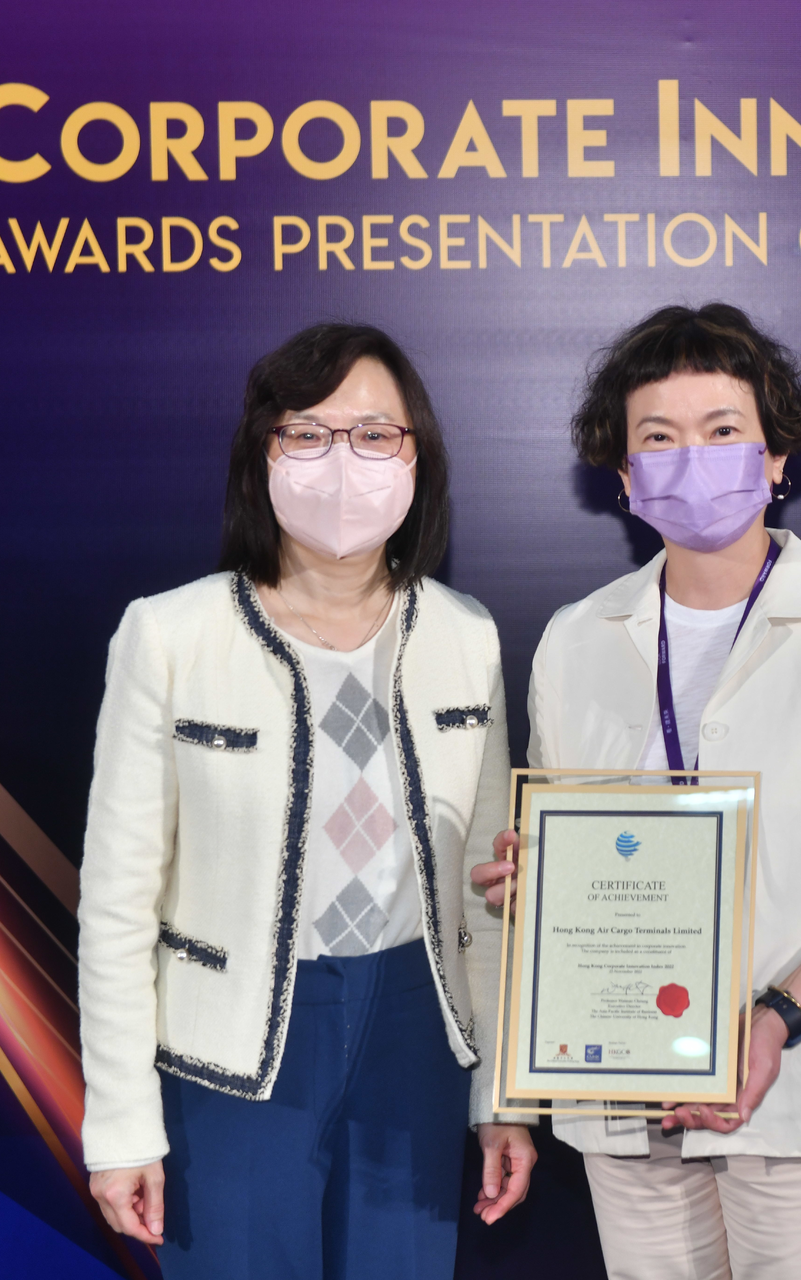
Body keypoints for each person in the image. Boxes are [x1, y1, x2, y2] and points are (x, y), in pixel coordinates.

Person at [487, 302, 801, 1280]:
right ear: (623, 474)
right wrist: (536, 880)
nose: (690, 457)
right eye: (657, 438)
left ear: (776, 455)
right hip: (622, 1094)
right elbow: (567, 849)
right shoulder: (579, 638)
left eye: (723, 430)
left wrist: (777, 1016)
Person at [77, 322, 534, 1277]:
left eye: (374, 435)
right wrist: (120, 1121)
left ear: (417, 458)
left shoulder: (466, 635)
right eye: (308, 434)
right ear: (263, 455)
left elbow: (491, 897)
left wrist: (502, 1093)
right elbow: (117, 901)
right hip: (230, 1050)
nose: (341, 464)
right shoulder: (170, 636)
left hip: (417, 1028)